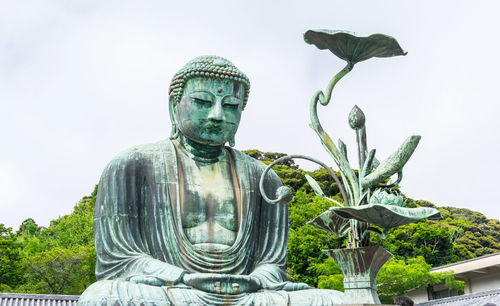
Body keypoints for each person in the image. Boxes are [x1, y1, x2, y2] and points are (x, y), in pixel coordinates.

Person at [78, 56, 344, 305]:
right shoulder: (132, 166)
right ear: (174, 106)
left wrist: (256, 280)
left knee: (336, 301)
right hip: (173, 290)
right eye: (203, 102)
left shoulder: (264, 179)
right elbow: (120, 260)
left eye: (230, 106)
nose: (217, 115)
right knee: (102, 297)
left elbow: (272, 264)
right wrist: (182, 277)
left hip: (246, 294)